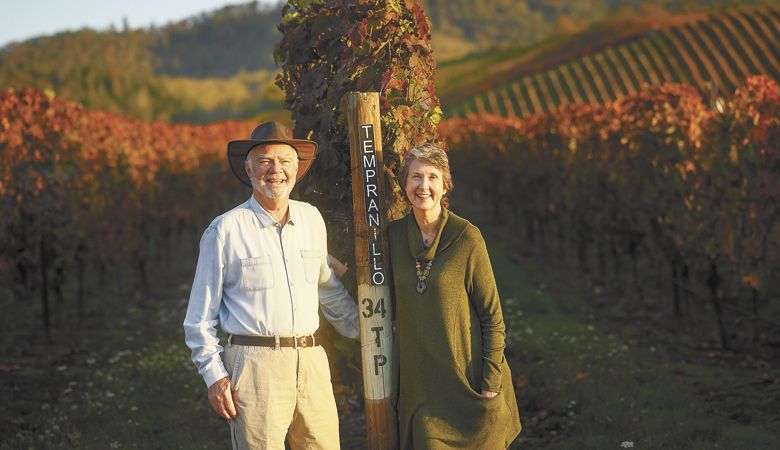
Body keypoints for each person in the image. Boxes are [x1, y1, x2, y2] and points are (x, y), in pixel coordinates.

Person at [183, 121, 359, 450]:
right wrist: (215, 377)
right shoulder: (225, 231)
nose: (275, 169)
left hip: (312, 365)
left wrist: (372, 334)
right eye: (265, 161)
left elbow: (328, 290)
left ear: (297, 170)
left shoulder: (311, 220)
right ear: (249, 171)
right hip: (254, 367)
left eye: (284, 161)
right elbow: (198, 319)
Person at [387, 142, 521, 449]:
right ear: (405, 184)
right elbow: (370, 287)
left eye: (432, 177)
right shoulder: (393, 237)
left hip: (468, 386)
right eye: (416, 177)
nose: (424, 186)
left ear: (445, 186)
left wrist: (489, 384)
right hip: (421, 392)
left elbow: (493, 318)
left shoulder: (467, 237)